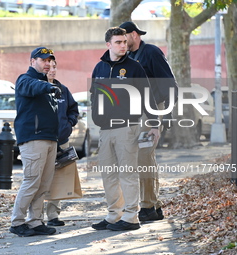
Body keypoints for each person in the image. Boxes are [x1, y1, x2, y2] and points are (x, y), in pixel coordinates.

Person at [90, 27, 160, 231]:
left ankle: (131, 217)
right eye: (118, 42)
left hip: (127, 127)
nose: (123, 45)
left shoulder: (134, 67)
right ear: (108, 44)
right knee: (108, 174)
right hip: (105, 130)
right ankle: (114, 214)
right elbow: (94, 95)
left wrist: (154, 124)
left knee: (127, 173)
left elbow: (148, 96)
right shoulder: (99, 68)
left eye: (124, 42)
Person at [119, 21, 178, 221]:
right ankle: (154, 206)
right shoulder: (128, 57)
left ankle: (147, 207)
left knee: (144, 156)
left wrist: (166, 114)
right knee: (140, 158)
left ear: (134, 34)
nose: (121, 42)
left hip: (152, 111)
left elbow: (170, 84)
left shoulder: (151, 52)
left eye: (124, 37)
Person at [10, 46, 63, 237]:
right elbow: (33, 87)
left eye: (50, 60)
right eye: (43, 60)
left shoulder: (46, 84)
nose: (47, 63)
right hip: (33, 138)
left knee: (43, 184)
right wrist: (49, 86)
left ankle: (35, 222)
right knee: (32, 181)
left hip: (49, 139)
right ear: (33, 61)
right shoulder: (26, 80)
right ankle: (17, 222)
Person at [45, 59, 79, 227]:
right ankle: (35, 216)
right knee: (40, 178)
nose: (52, 70)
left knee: (58, 179)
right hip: (42, 142)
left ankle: (53, 215)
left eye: (54, 67)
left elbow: (74, 109)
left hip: (62, 141)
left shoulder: (63, 90)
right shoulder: (36, 89)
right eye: (49, 67)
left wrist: (69, 124)